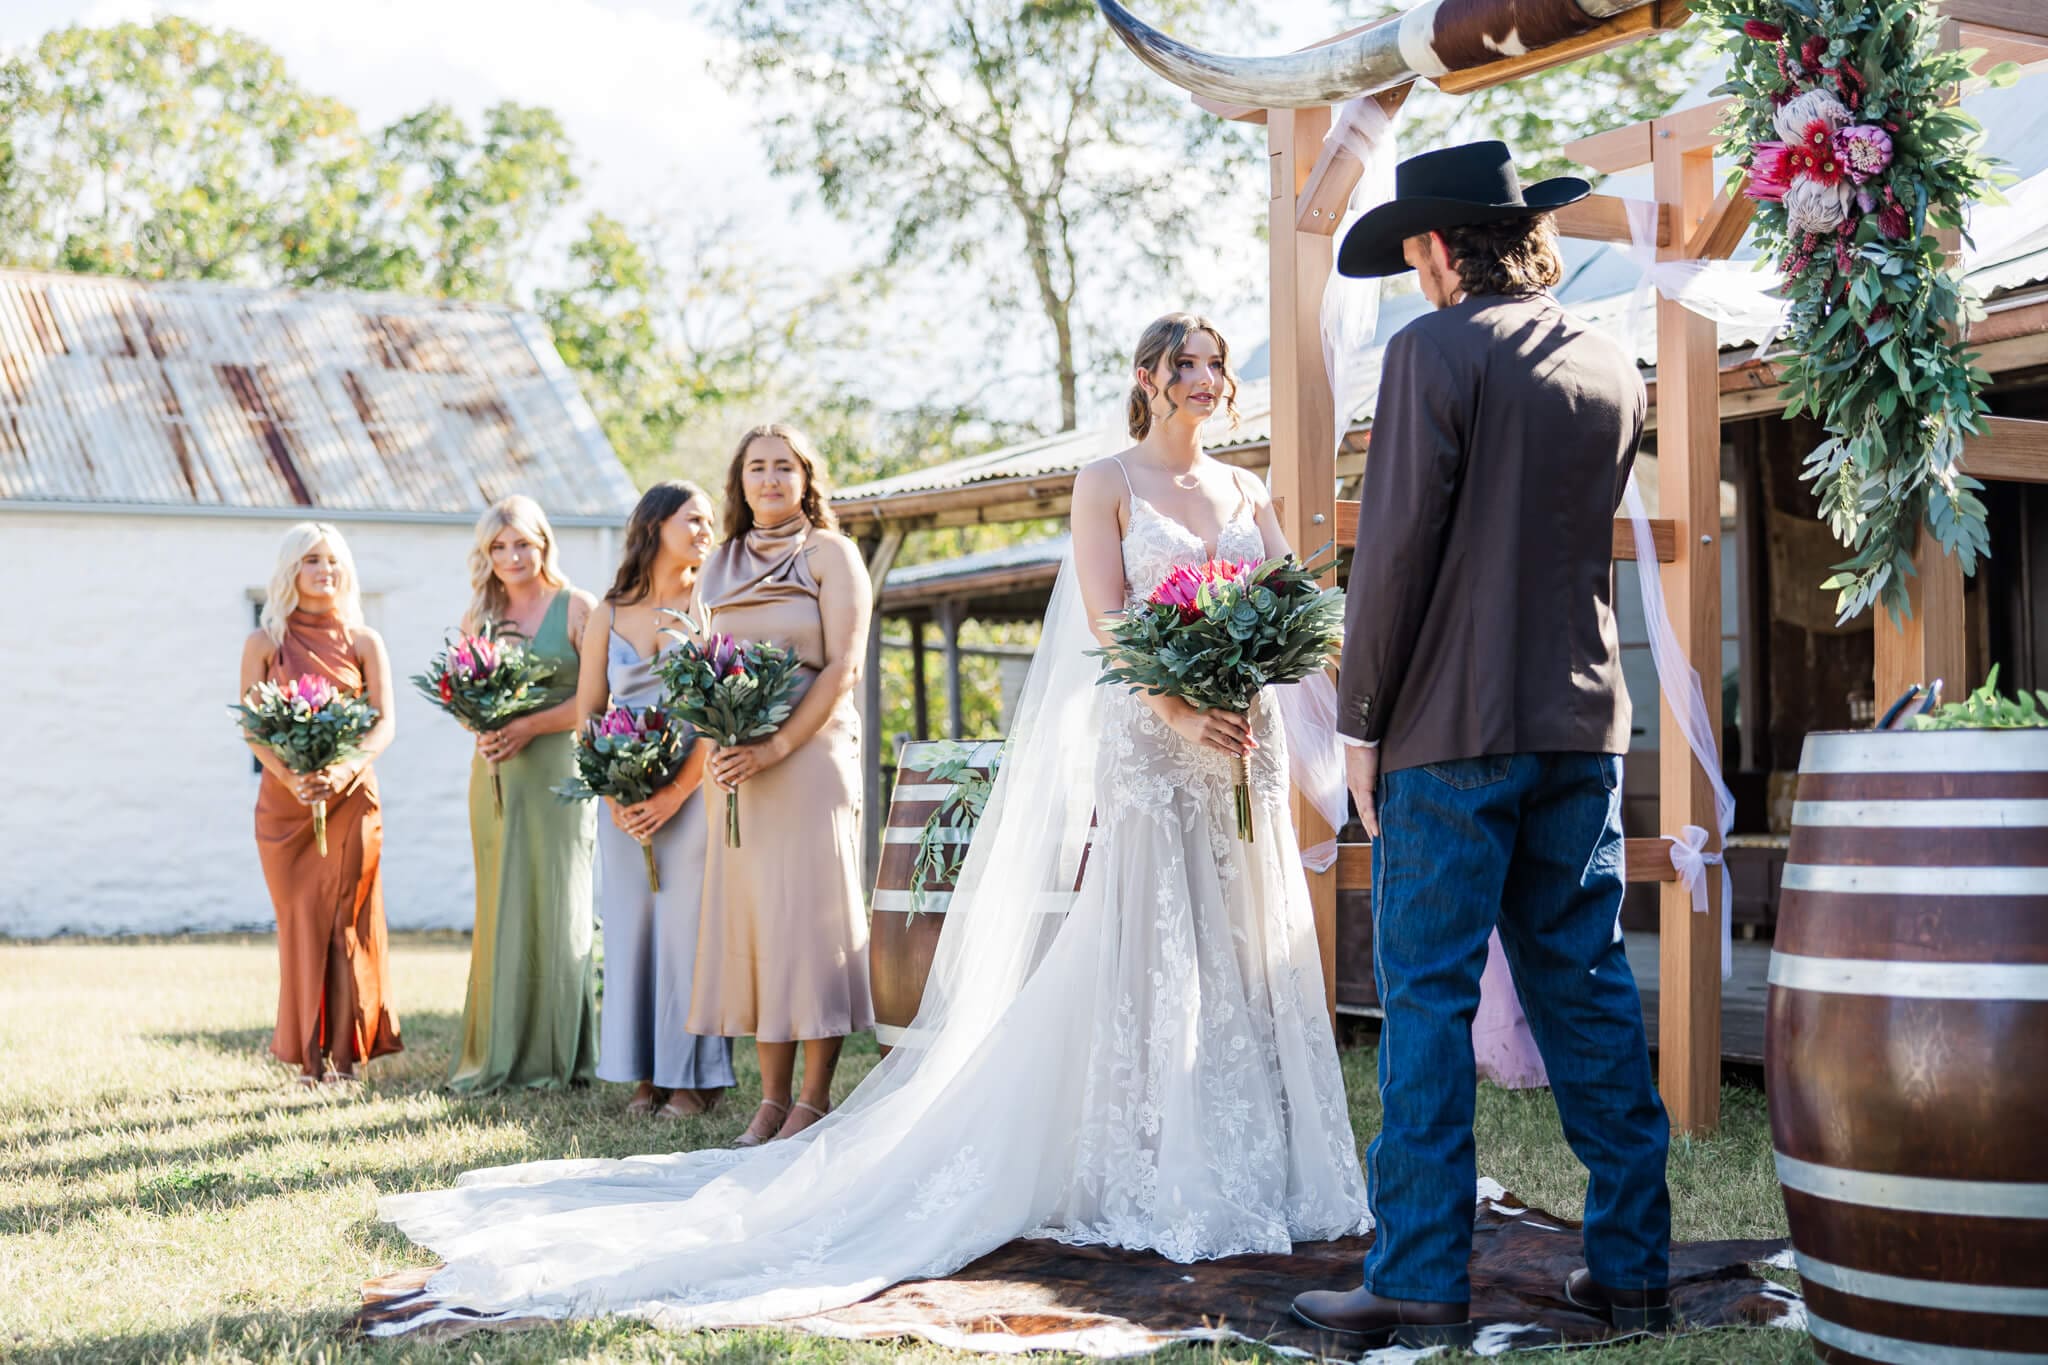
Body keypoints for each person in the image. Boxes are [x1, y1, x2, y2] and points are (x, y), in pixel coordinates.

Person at [371, 316, 1366, 1335]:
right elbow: (1111, 620)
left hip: (1240, 740)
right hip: (1154, 740)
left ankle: (1259, 1158)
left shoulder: (1247, 491)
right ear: (1146, 380)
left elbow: (1290, 600)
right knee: (1151, 938)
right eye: (1184, 365)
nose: (1204, 380)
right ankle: (1145, 1158)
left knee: (1241, 935)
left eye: (1213, 366)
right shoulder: (1105, 481)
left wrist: (1263, 678)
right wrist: (1174, 705)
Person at [1292, 140, 1673, 1349]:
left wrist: (1358, 723)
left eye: (1410, 251)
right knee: (1589, 993)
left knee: (1425, 1004)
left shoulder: (1431, 350)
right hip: (1580, 724)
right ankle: (1632, 1270)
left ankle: (1414, 1277)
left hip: (1447, 732)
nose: (1409, 273)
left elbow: (1395, 552)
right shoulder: (1612, 362)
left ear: (1435, 246)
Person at [689, 424, 875, 1146]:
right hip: (735, 761)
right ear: (739, 482)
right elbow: (698, 663)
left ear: (805, 478)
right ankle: (768, 1100)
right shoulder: (719, 562)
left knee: (809, 919)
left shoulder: (832, 554)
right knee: (759, 921)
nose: (769, 479)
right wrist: (720, 739)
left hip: (809, 751)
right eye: (756, 468)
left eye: (783, 467)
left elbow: (843, 666)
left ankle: (815, 1096)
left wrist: (777, 747)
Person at [574, 481, 735, 1119]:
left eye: (709, 521)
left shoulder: (713, 602)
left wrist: (673, 792)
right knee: (633, 930)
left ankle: (692, 1079)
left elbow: (721, 713)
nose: (705, 530)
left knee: (685, 932)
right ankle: (644, 1077)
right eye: (692, 519)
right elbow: (588, 713)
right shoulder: (609, 611)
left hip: (693, 793)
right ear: (655, 524)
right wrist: (613, 791)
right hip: (620, 800)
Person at [446, 496, 601, 1094]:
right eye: (499, 547)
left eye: (523, 544)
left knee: (561, 904)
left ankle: (563, 1058)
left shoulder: (577, 607)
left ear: (544, 544)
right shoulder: (477, 618)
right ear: (487, 555)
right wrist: (481, 729)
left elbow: (594, 700)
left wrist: (527, 726)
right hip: (496, 778)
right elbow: (462, 700)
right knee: (501, 905)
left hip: (558, 772)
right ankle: (500, 1052)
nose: (512, 556)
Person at [240, 522, 401, 1085]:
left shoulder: (364, 641)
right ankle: (308, 1059)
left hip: (353, 799)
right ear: (291, 570)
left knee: (345, 923)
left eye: (333, 560)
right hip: (285, 808)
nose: (325, 570)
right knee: (300, 923)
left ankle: (345, 1059)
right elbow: (254, 730)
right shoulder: (264, 644)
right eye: (312, 560)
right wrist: (294, 779)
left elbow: (384, 723)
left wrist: (342, 771)